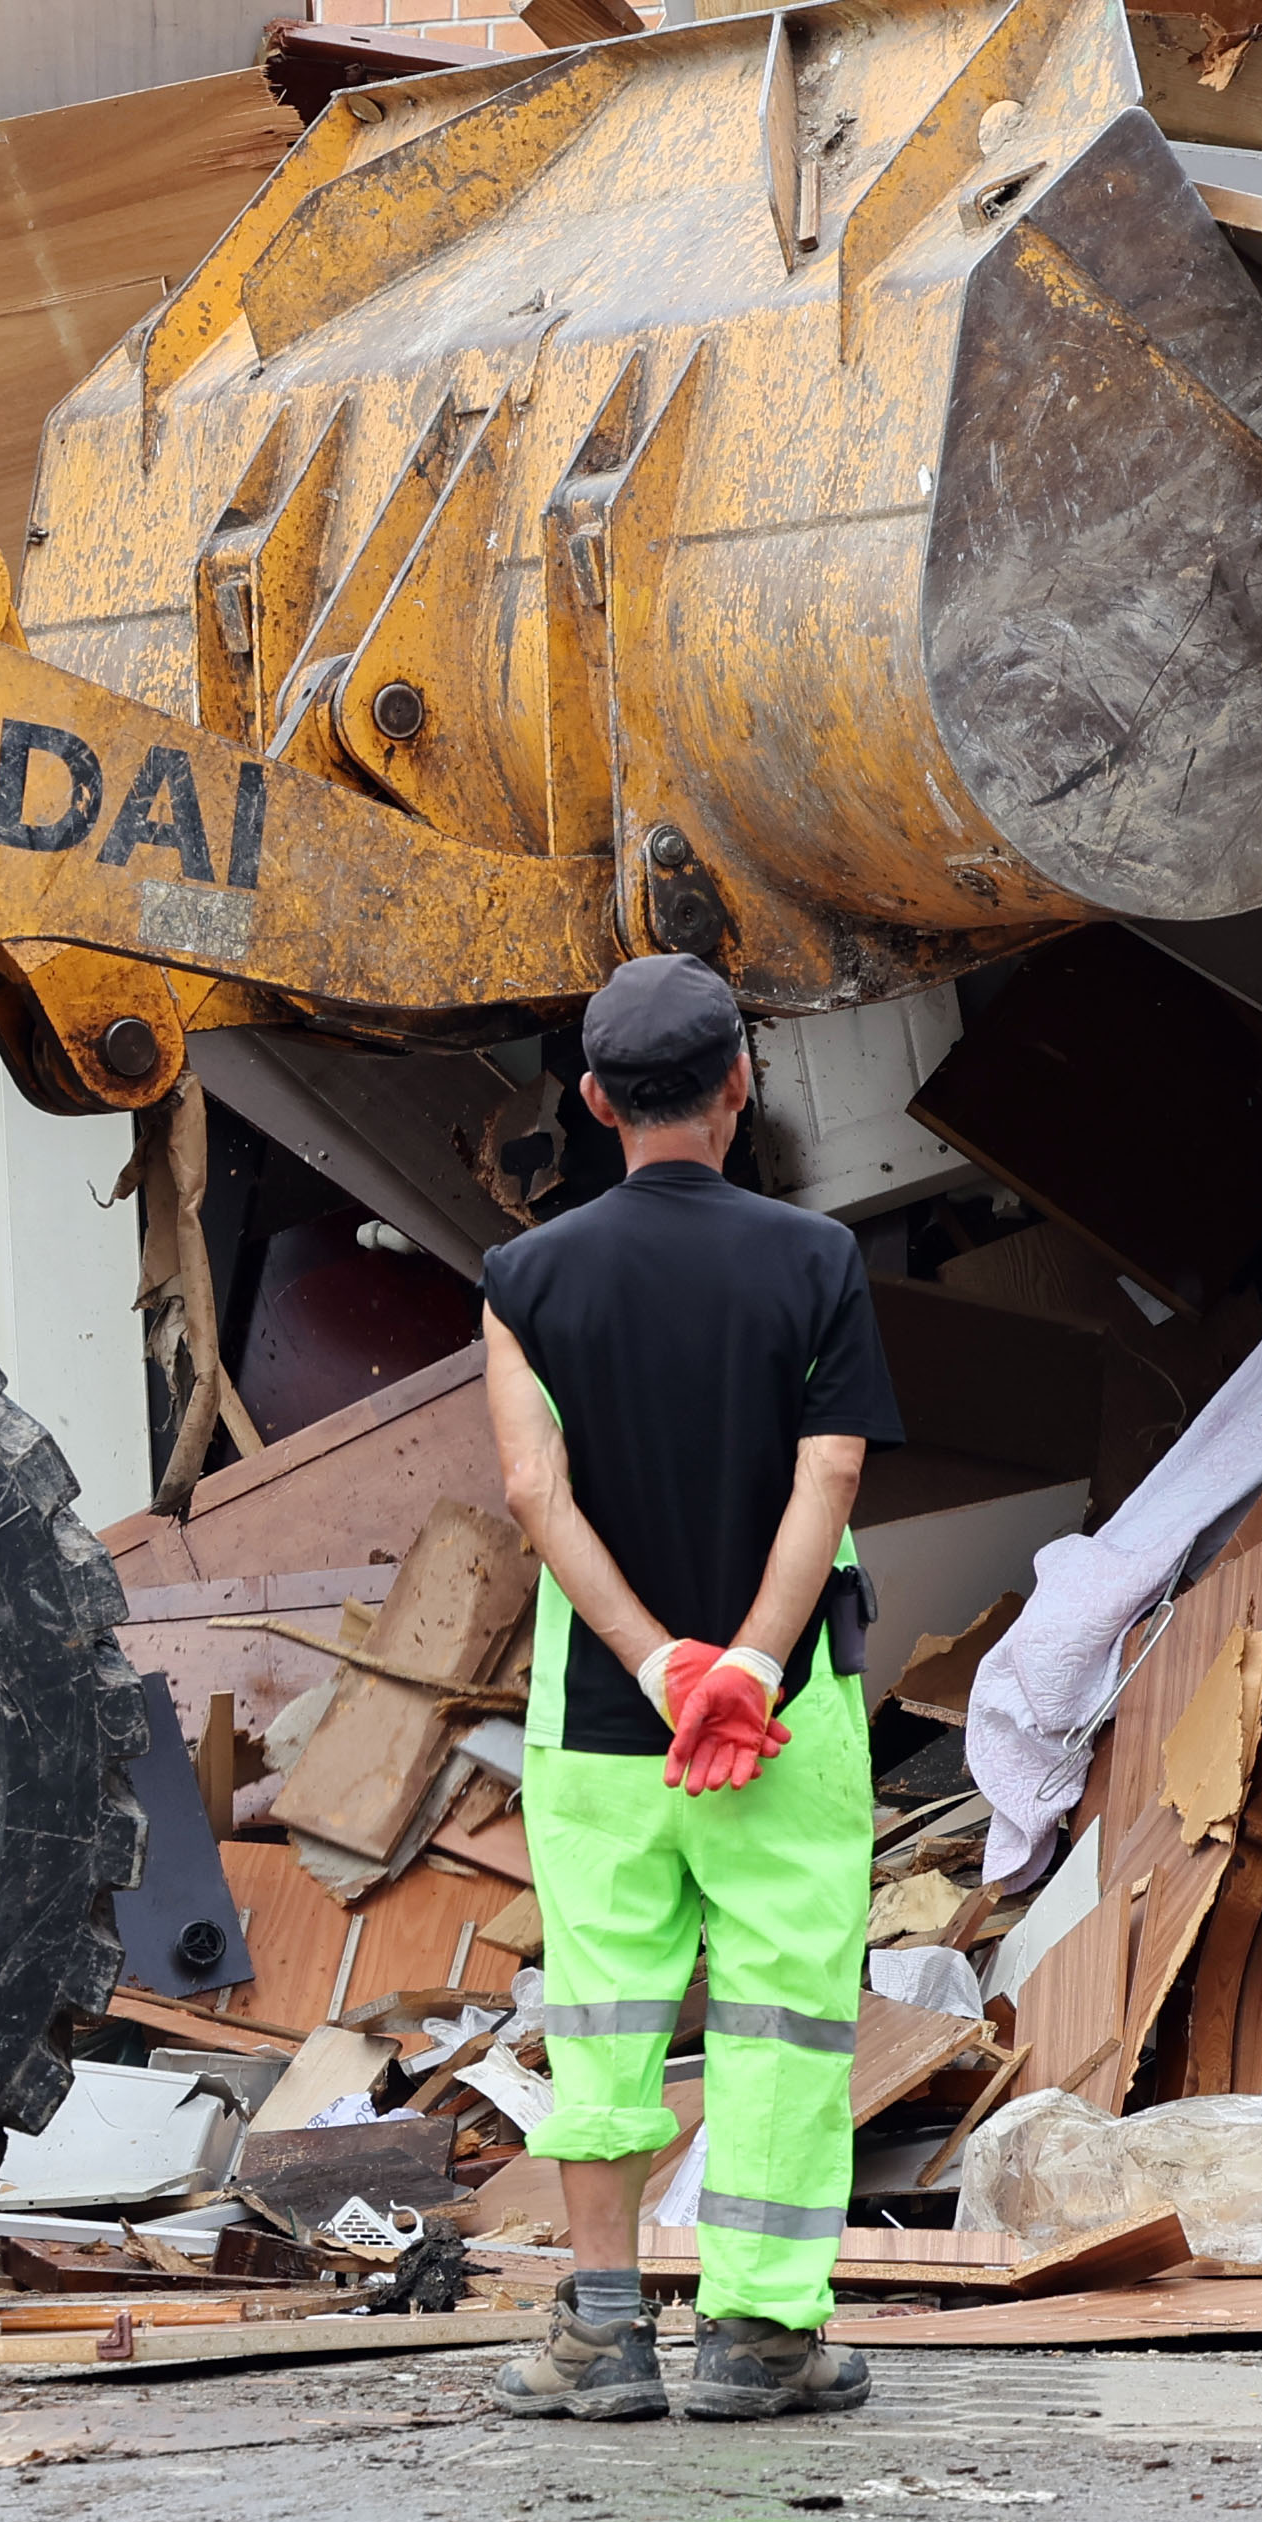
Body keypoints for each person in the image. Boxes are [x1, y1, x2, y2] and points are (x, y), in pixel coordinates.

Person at [474, 952, 903, 2424]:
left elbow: (536, 1494)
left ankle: (602, 2334)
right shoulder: (813, 1262)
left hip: (607, 1728)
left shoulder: (523, 1280)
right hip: (782, 1722)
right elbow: (829, 1471)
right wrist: (750, 1665)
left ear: (594, 1101)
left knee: (605, 2012)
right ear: (741, 1084)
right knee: (782, 2014)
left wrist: (658, 1663)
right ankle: (759, 2340)